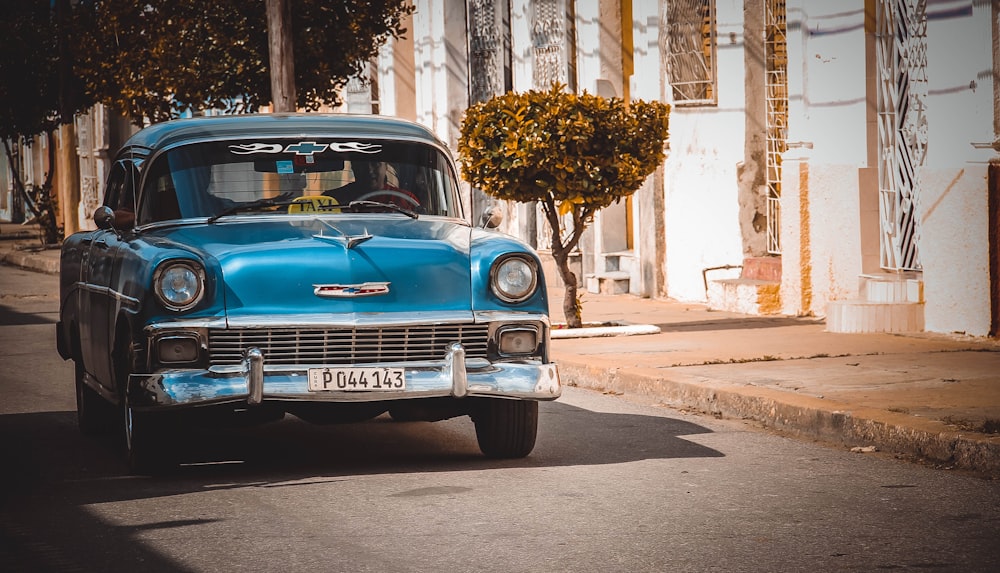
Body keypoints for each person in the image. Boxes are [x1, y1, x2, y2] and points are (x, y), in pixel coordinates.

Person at [323, 160, 419, 209]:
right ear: (353, 167)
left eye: (375, 164)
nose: (369, 171)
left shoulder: (407, 200)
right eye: (362, 165)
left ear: (385, 166)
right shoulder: (332, 200)